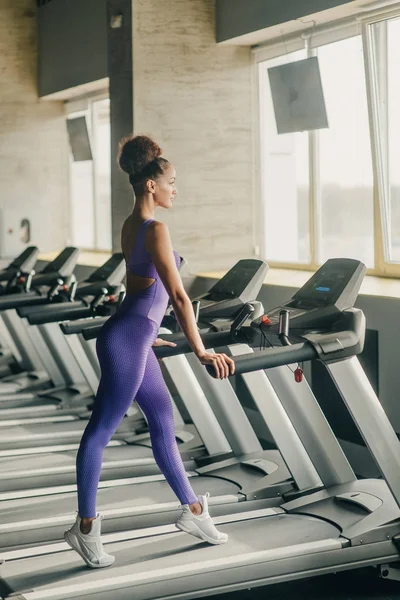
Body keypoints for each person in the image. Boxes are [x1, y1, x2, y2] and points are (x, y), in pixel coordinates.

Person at [64, 134, 235, 569]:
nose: (176, 189)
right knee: (100, 431)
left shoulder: (132, 224)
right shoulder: (155, 228)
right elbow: (177, 296)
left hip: (134, 336)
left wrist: (148, 329)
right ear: (151, 186)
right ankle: (85, 529)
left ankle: (193, 511)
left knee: (163, 420)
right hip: (127, 340)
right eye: (172, 181)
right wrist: (200, 352)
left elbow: (140, 290)